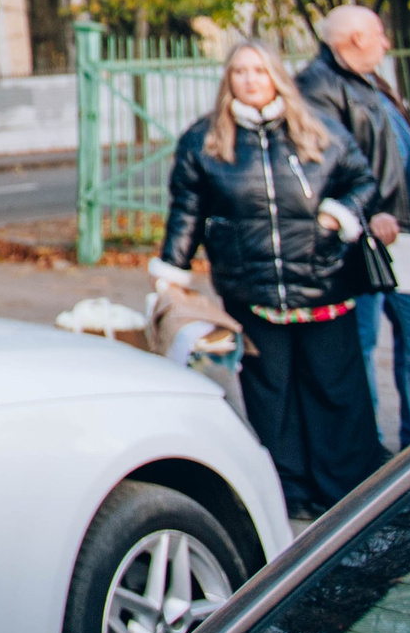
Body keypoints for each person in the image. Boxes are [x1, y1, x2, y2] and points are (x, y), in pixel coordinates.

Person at [157, 38, 384, 519]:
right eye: (240, 71)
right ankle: (289, 492)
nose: (250, 80)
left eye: (259, 71)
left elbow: (363, 182)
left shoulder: (319, 127)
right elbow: (186, 211)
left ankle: (343, 490)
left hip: (323, 283)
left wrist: (338, 215)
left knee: (334, 391)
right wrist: (173, 271)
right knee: (271, 396)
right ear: (228, 80)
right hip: (252, 289)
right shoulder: (205, 140)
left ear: (276, 76)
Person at [307, 5, 410, 445]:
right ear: (357, 39)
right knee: (362, 341)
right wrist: (367, 217)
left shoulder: (367, 82)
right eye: (380, 34)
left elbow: (396, 157)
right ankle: (368, 444)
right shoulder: (318, 87)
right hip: (362, 237)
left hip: (401, 234)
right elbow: (328, 168)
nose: (387, 43)